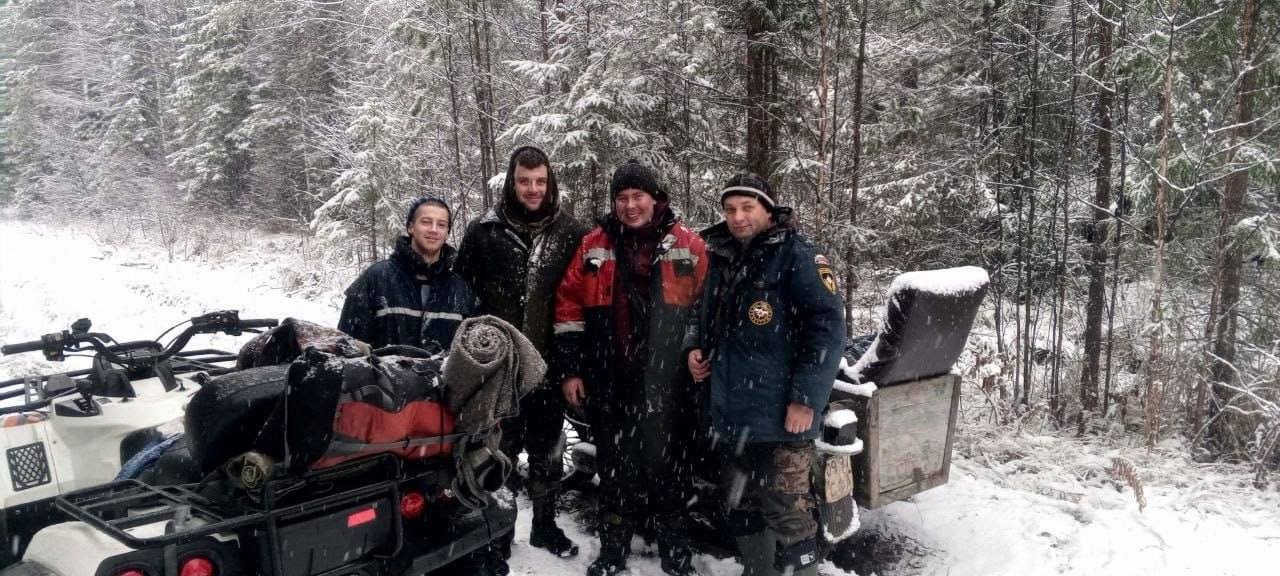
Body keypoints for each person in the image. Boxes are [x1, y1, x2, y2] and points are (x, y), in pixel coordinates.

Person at [683, 173, 845, 576]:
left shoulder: (798, 255)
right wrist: (694, 349)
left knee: (788, 511)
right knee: (741, 503)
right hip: (731, 412)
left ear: (768, 211)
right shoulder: (720, 254)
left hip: (782, 414)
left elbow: (827, 326)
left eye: (747, 208)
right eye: (730, 209)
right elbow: (699, 312)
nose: (737, 218)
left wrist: (806, 398)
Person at [554, 160, 708, 576]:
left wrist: (695, 354)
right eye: (621, 198)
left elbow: (705, 309)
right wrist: (571, 369)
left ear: (656, 198)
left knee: (671, 472)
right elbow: (568, 308)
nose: (629, 205)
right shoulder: (594, 245)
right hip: (611, 379)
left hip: (668, 383)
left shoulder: (688, 245)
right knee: (615, 473)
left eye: (637, 196)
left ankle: (677, 556)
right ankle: (612, 553)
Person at [454, 146, 589, 564]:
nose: (532, 189)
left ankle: (545, 527)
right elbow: (461, 294)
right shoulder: (483, 231)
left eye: (540, 181)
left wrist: (573, 366)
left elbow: (581, 300)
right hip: (499, 371)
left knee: (548, 452)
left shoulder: (571, 232)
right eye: (524, 181)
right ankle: (498, 530)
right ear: (511, 182)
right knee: (498, 452)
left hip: (548, 367)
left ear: (550, 184)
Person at [338, 196, 474, 353]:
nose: (434, 229)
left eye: (441, 225)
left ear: (447, 233)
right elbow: (346, 346)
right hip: (385, 377)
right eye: (426, 222)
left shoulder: (460, 289)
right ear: (411, 227)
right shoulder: (376, 279)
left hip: (442, 378)